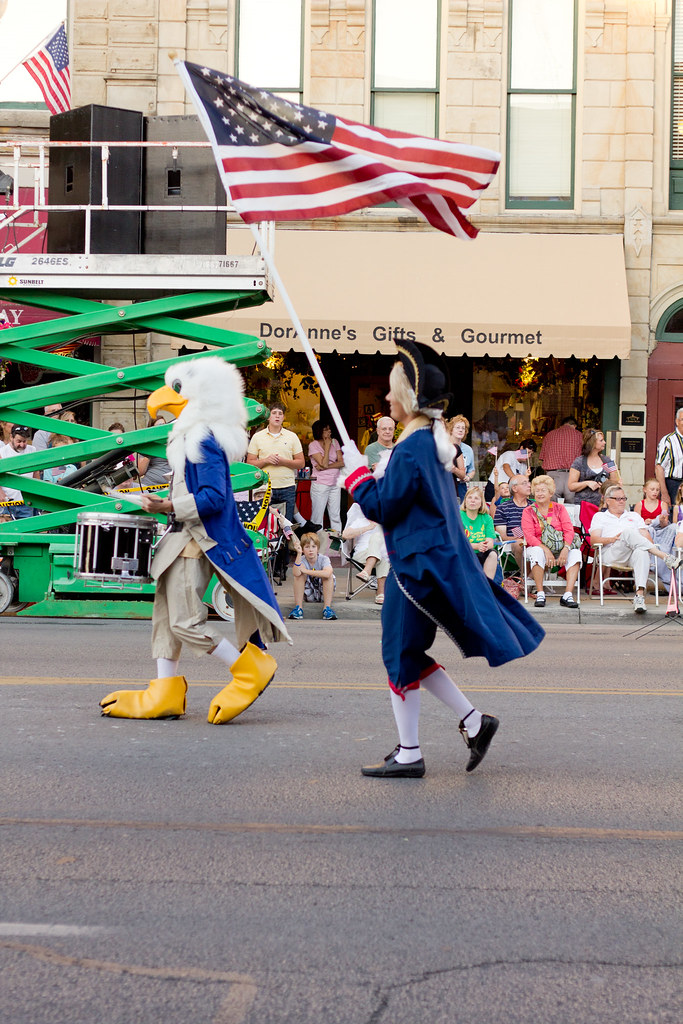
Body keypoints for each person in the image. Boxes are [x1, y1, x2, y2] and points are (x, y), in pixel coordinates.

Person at [341, 340, 544, 779]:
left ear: (410, 399)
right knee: (408, 652)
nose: (388, 398)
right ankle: (473, 723)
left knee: (398, 652)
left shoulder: (413, 447)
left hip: (415, 568)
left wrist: (356, 477)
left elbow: (386, 507)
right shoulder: (421, 445)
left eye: (394, 391)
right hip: (426, 563)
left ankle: (411, 752)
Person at [99, 357, 291, 723]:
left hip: (196, 541)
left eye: (178, 391)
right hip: (180, 536)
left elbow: (214, 498)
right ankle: (165, 690)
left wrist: (169, 504)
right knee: (165, 617)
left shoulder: (203, 437)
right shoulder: (192, 435)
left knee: (186, 621)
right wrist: (162, 506)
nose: (164, 401)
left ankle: (249, 670)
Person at [589, 484, 681, 614]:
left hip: (632, 556)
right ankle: (665, 557)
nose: (622, 502)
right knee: (627, 532)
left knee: (641, 551)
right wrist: (612, 539)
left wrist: (647, 546)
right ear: (608, 501)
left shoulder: (634, 516)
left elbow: (647, 538)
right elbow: (594, 540)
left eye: (624, 498)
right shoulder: (600, 517)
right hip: (612, 552)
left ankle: (639, 596)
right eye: (618, 499)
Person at [521, 475, 582, 608]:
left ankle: (567, 595)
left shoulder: (559, 508)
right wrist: (546, 550)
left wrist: (566, 548)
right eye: (537, 490)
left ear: (550, 492)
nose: (540, 493)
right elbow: (529, 536)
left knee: (576, 553)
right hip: (538, 547)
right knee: (537, 551)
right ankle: (540, 593)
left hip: (561, 547)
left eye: (543, 490)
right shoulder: (528, 511)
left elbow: (569, 530)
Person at [247, 402, 304, 523]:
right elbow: (250, 463)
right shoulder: (257, 437)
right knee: (264, 524)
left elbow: (301, 463)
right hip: (265, 487)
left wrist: (283, 462)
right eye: (274, 413)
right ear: (268, 417)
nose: (277, 416)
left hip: (287, 487)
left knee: (287, 525)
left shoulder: (292, 436)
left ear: (283, 417)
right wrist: (266, 460)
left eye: (280, 414)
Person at [342, 501, 389, 604]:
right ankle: (381, 593)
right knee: (382, 550)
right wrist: (368, 527)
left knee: (383, 550)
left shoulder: (385, 522)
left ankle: (366, 572)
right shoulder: (360, 521)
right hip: (361, 555)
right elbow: (345, 535)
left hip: (382, 556)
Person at [288, 531, 337, 620]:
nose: (311, 550)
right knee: (299, 576)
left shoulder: (324, 559)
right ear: (302, 549)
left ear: (317, 548)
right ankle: (298, 609)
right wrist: (299, 553)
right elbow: (296, 573)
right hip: (308, 593)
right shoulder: (302, 559)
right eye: (307, 547)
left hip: (323, 592)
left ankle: (327, 609)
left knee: (328, 576)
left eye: (313, 547)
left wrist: (306, 571)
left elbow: (328, 573)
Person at [568, 428, 620, 506]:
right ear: (592, 443)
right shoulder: (579, 462)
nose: (604, 442)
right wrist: (587, 483)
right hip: (583, 506)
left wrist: (606, 484)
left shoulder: (606, 461)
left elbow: (615, 482)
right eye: (601, 440)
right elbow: (571, 486)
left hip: (603, 505)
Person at [308, 420, 343, 533]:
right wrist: (327, 447)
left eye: (329, 429)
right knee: (317, 516)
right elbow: (324, 462)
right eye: (326, 430)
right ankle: (316, 544)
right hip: (320, 484)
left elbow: (341, 463)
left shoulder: (335, 442)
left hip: (335, 483)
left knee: (335, 515)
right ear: (319, 432)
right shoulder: (313, 445)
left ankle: (336, 544)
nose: (329, 431)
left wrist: (324, 467)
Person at [539, 416, 583, 503]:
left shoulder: (550, 435)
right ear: (574, 425)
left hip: (553, 475)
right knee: (572, 509)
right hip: (572, 476)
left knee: (551, 507)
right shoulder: (579, 435)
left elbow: (542, 457)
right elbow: (584, 458)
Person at [494, 474, 534, 569]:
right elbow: (502, 536)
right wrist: (520, 538)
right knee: (519, 543)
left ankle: (528, 579)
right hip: (515, 542)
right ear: (515, 488)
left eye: (529, 482)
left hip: (535, 540)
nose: (529, 485)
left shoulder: (535, 506)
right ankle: (528, 578)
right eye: (525, 483)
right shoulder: (503, 508)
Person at [0, 425, 39, 518]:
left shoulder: (32, 450)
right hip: (7, 502)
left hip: (27, 502)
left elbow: (36, 474)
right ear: (11, 437)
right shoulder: (2, 452)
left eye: (24, 441)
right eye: (19, 441)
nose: (22, 445)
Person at [459, 487, 498, 579]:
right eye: (469, 497)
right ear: (465, 501)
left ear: (481, 503)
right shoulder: (458, 516)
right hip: (464, 551)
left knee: (492, 554)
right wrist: (476, 546)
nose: (472, 500)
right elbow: (457, 541)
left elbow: (490, 542)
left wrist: (484, 546)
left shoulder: (487, 518)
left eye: (476, 498)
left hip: (482, 552)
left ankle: (488, 587)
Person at [655, 408, 683, 508]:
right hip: (674, 484)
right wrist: (664, 493)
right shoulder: (668, 441)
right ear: (677, 421)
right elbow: (659, 467)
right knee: (675, 515)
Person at [136, 415, 172, 486]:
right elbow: (140, 472)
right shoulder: (148, 445)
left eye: (164, 425)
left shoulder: (172, 441)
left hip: (169, 486)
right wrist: (150, 449)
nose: (162, 428)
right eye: (159, 426)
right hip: (151, 485)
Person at [448, 415, 475, 500]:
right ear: (451, 429)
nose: (461, 430)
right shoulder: (444, 445)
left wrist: (468, 477)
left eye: (463, 428)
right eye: (458, 427)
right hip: (447, 484)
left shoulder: (468, 449)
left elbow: (472, 469)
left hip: (461, 486)